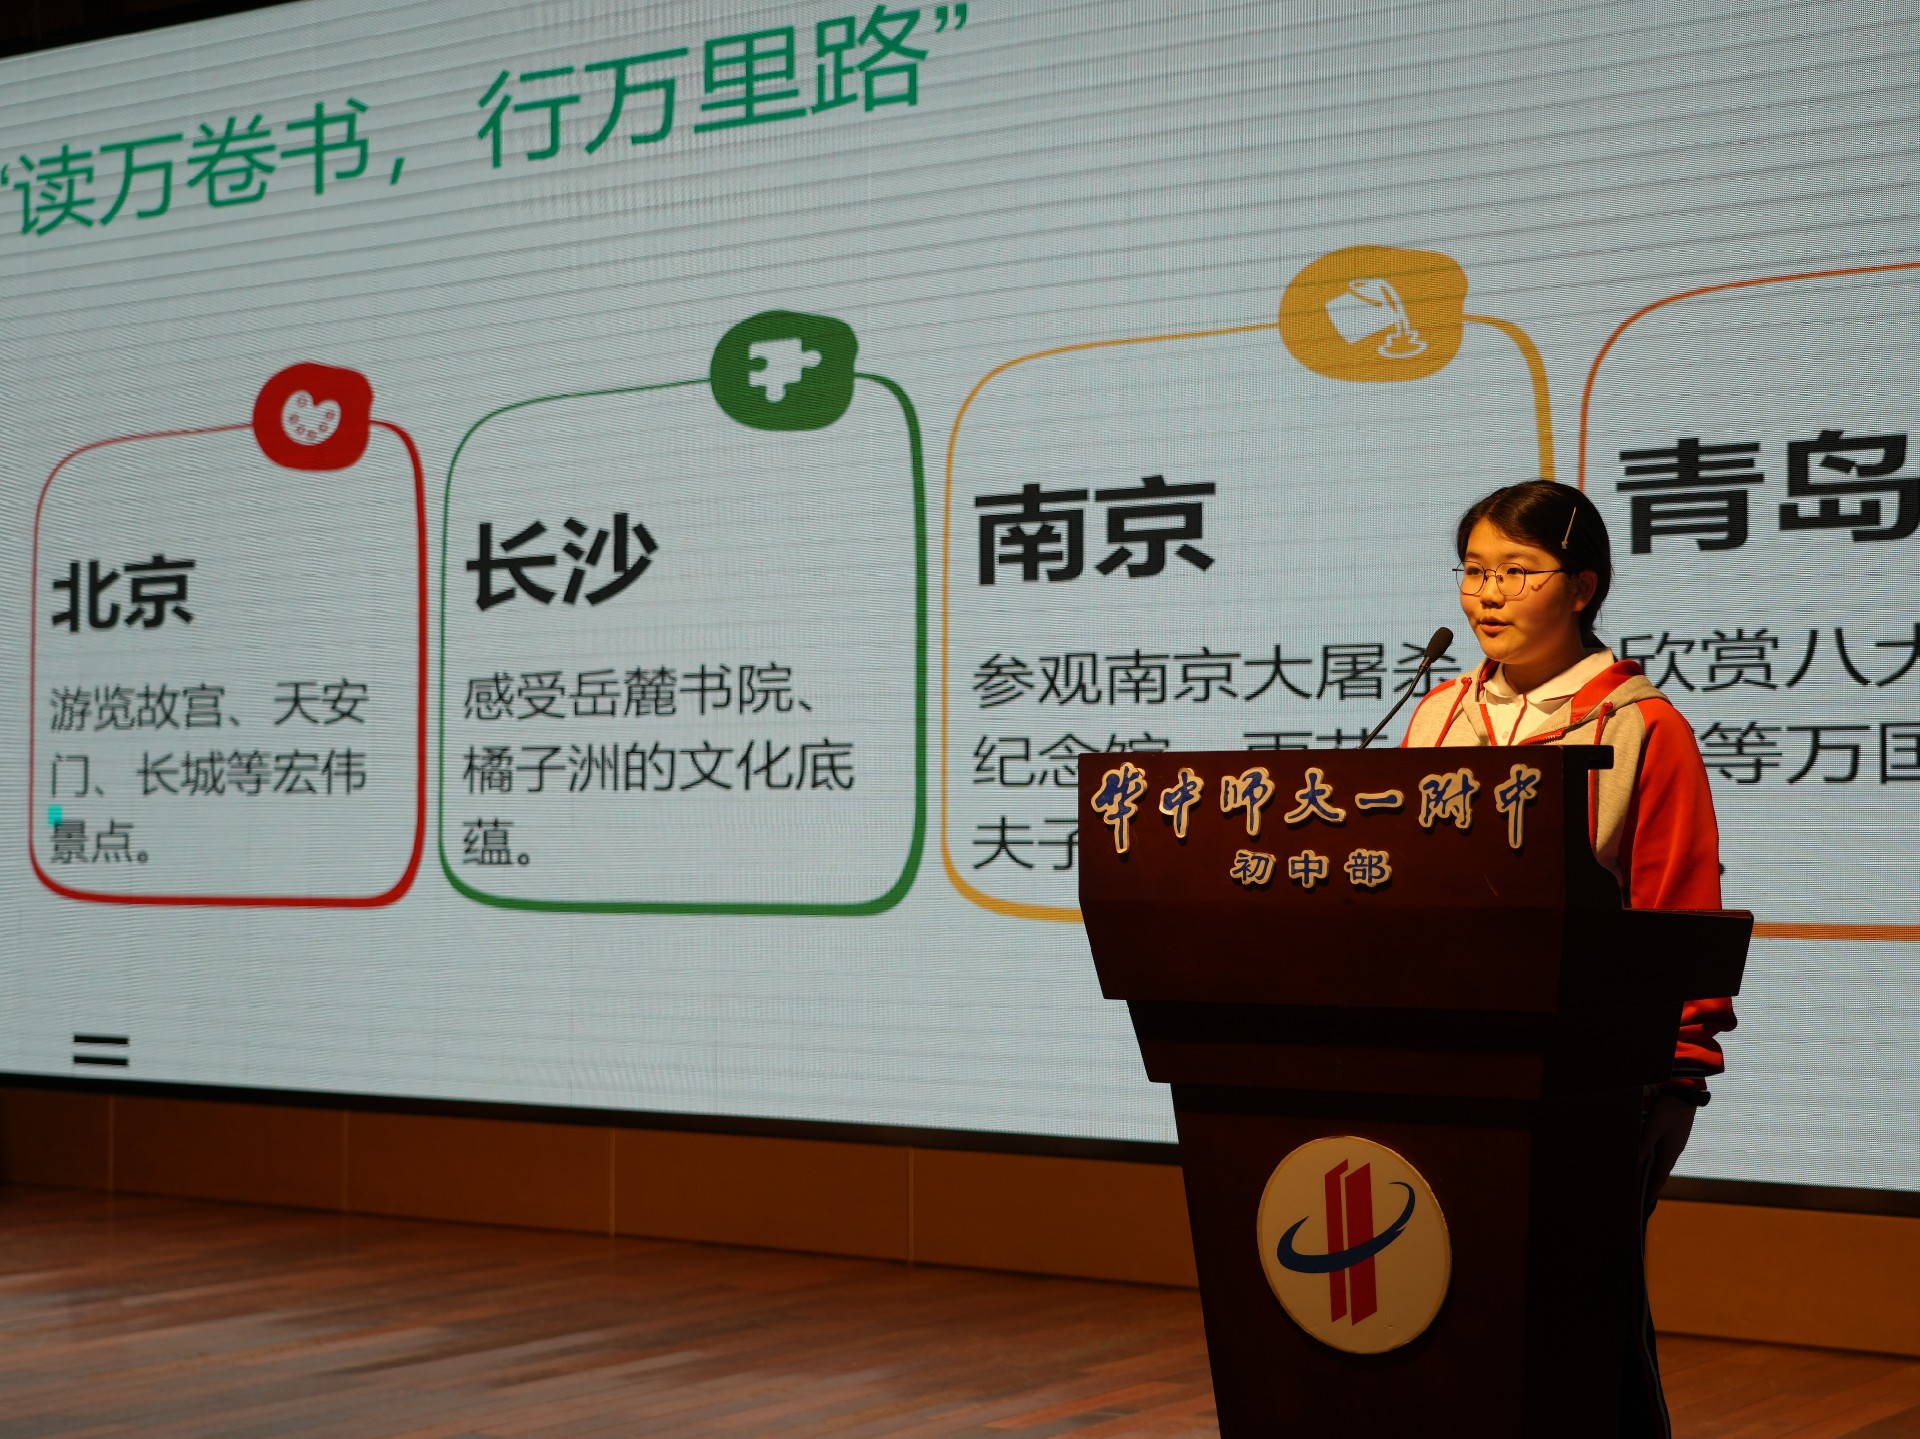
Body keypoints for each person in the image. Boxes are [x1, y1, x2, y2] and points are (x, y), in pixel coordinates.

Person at [1400, 479, 1736, 1438]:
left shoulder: (1640, 725)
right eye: (1474, 570)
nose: (1487, 594)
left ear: (1583, 587)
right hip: (1437, 1068)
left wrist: (1681, 1077)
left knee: (1577, 1324)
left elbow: (1680, 911)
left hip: (1590, 1080)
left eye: (1517, 570)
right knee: (1439, 1312)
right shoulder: (1435, 717)